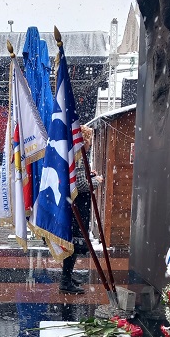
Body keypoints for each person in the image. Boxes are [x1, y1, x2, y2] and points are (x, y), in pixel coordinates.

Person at [60, 126, 103, 294]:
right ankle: (65, 281)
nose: (91, 143)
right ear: (84, 140)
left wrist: (89, 176)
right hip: (76, 205)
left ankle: (67, 275)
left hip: (76, 204)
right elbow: (79, 185)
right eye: (90, 139)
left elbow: (79, 179)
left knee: (75, 241)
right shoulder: (78, 156)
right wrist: (97, 181)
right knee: (74, 242)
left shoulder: (76, 154)